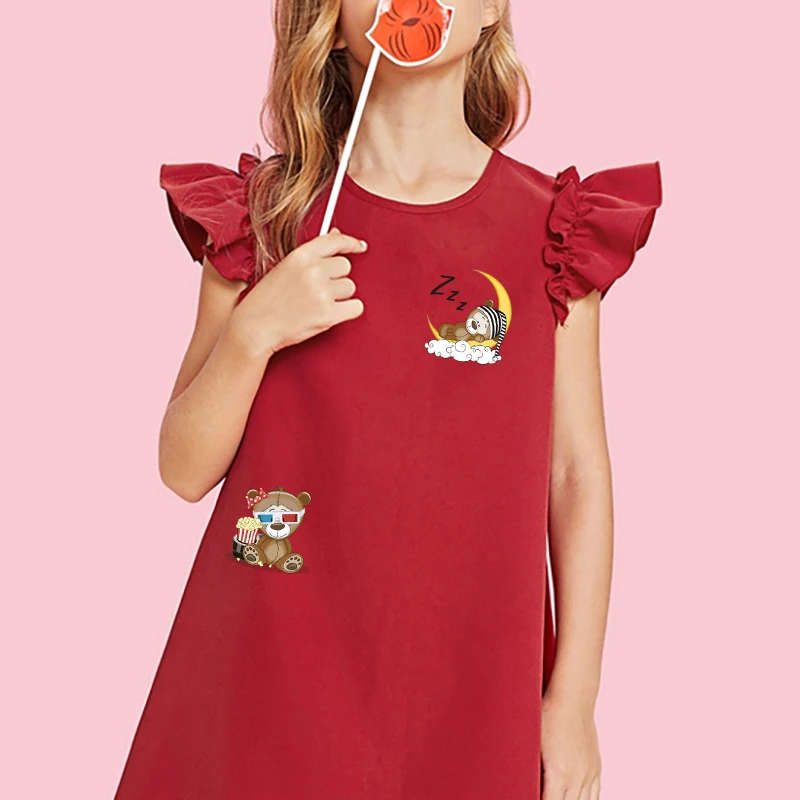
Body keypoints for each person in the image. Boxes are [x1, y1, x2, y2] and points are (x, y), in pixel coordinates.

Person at [115, 1, 662, 798]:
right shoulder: (265, 215)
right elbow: (182, 467)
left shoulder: (552, 231)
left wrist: (574, 702)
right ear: (331, 19)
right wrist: (253, 333)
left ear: (491, 11)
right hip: (269, 677)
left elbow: (576, 475)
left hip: (466, 683)